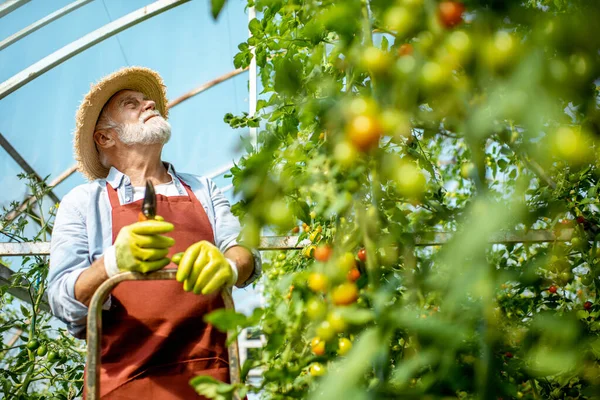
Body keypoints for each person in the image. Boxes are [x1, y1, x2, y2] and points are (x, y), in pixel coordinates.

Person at [47, 66, 261, 399]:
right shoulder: (84, 203)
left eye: (147, 99)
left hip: (211, 380)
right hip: (124, 384)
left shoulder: (202, 189)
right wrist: (112, 265)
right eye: (132, 104)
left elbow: (243, 251)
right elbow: (61, 300)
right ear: (105, 137)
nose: (149, 103)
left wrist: (229, 266)